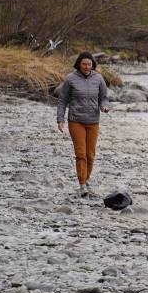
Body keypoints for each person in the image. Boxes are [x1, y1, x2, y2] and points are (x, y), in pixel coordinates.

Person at [56, 52, 109, 198]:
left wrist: (104, 106)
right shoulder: (70, 79)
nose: (86, 67)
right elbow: (62, 100)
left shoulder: (98, 78)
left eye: (89, 64)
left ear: (93, 65)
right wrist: (60, 119)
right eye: (84, 64)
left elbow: (104, 97)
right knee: (81, 154)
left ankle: (87, 179)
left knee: (90, 155)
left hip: (93, 121)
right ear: (79, 64)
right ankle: (82, 185)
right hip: (76, 121)